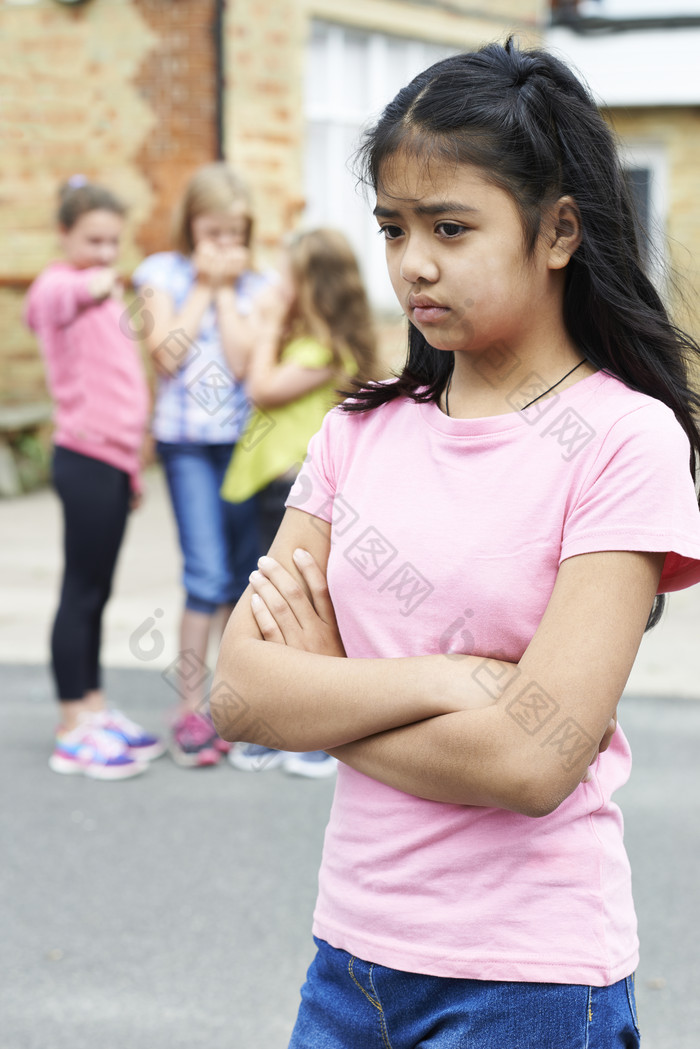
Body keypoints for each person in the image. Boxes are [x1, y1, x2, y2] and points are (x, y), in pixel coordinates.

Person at [212, 40, 700, 1046]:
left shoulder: (621, 439)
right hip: (348, 962)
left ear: (558, 229)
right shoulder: (357, 429)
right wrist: (461, 683)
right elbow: (238, 693)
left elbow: (535, 758)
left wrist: (323, 696)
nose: (412, 262)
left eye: (449, 225)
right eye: (392, 227)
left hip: (528, 979)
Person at [220, 228, 376, 778]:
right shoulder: (308, 342)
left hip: (292, 490)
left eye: (287, 277)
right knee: (267, 603)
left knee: (282, 605)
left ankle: (299, 733)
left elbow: (260, 387)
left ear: (312, 286)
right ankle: (279, 727)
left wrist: (265, 324)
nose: (276, 286)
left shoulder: (320, 349)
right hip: (270, 484)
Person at [132, 163, 268, 768]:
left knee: (241, 581)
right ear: (191, 225)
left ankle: (232, 705)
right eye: (213, 232)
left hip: (241, 446)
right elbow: (167, 354)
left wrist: (232, 292)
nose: (225, 245)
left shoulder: (257, 284)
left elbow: (242, 366)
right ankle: (190, 706)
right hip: (187, 446)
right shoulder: (160, 275)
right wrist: (209, 289)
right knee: (204, 578)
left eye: (235, 233)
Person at [25, 177, 162, 780]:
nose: (107, 253)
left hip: (112, 462)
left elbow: (122, 385)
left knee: (98, 592)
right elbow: (47, 303)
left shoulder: (103, 297)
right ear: (66, 235)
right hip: (82, 458)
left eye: (114, 242)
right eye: (93, 240)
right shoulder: (61, 288)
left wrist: (132, 468)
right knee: (80, 591)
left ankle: (95, 708)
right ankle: (70, 726)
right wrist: (93, 281)